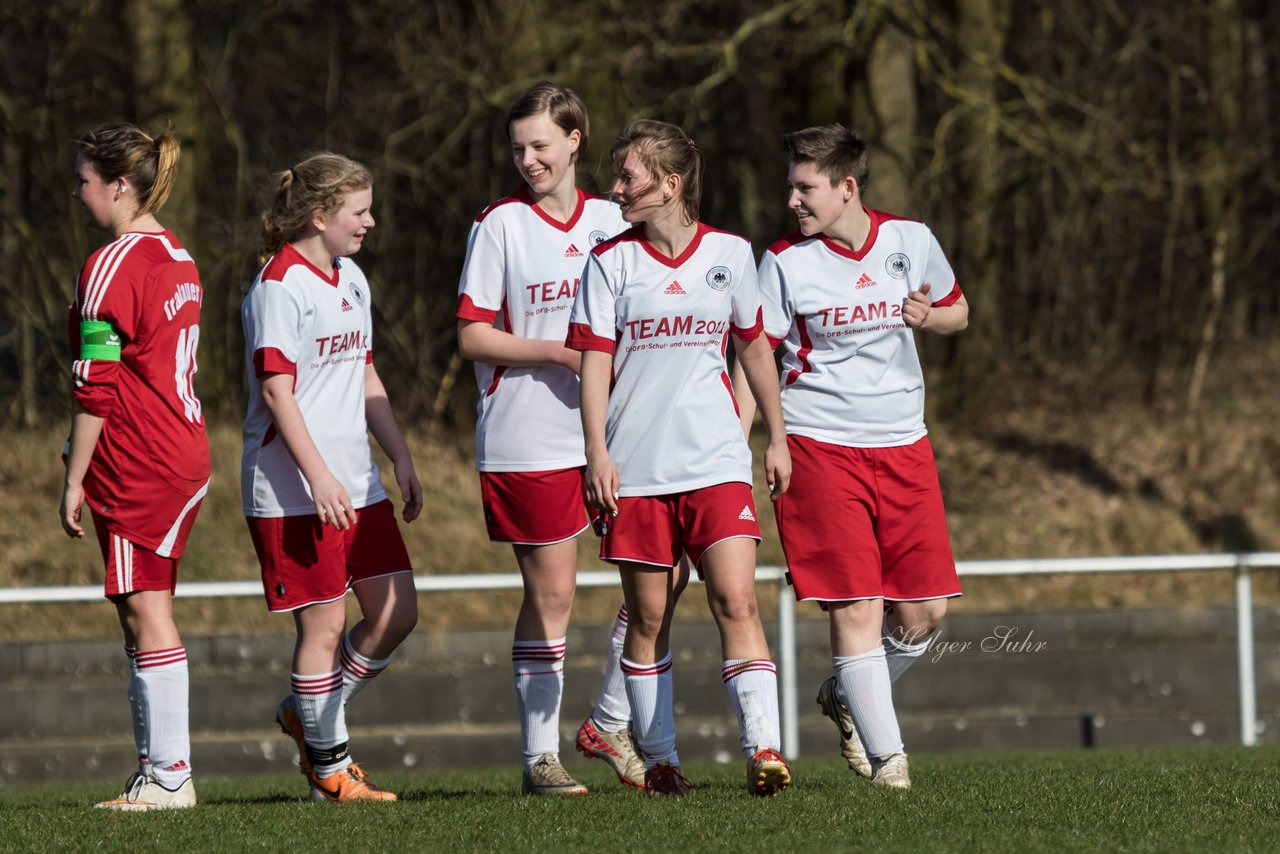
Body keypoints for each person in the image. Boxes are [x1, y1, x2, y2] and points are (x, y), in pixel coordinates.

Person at [457, 82, 682, 795]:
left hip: (621, 435)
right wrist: (560, 352)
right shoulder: (499, 226)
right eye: (518, 147)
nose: (528, 159)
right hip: (530, 435)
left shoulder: (616, 220)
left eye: (541, 145)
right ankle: (538, 758)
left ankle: (609, 720)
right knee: (553, 595)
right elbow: (472, 333)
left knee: (667, 579)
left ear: (576, 139)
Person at [567, 119, 793, 798]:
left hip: (715, 462)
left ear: (671, 184)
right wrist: (596, 452)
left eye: (627, 177)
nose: (615, 189)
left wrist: (775, 436)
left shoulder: (730, 253)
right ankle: (661, 760)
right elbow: (594, 367)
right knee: (650, 618)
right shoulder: (610, 263)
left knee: (735, 599)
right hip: (636, 470)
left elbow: (754, 350)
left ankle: (765, 750)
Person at [750, 123, 968, 789]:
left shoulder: (911, 240)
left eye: (805, 187)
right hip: (820, 448)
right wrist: (753, 442)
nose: (792, 199)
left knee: (926, 611)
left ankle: (848, 694)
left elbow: (959, 312)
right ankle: (889, 765)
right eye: (790, 186)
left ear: (847, 188)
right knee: (857, 608)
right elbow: (753, 357)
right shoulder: (784, 262)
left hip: (905, 445)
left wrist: (929, 317)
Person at [241, 153, 422, 803]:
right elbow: (278, 392)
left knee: (397, 610)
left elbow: (365, 374)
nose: (371, 221)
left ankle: (308, 717)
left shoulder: (351, 278)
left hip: (359, 483)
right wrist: (317, 476)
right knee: (320, 630)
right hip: (295, 493)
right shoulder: (278, 287)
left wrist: (398, 455)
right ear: (319, 216)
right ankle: (329, 773)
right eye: (359, 211)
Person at [59, 122, 209, 810]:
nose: (78, 191)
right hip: (179, 447)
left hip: (137, 457)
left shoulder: (111, 263)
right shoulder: (176, 254)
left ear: (120, 186)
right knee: (142, 605)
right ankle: (157, 768)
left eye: (86, 180)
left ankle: (170, 776)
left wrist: (73, 474)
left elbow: (98, 381)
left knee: (145, 607)